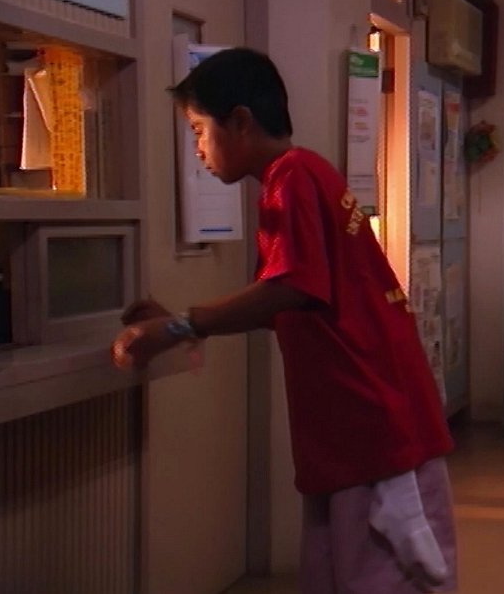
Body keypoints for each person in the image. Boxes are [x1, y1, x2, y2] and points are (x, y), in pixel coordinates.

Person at [110, 48, 457, 593]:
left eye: (199, 130)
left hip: (378, 427)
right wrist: (174, 324)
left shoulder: (291, 176)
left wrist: (183, 326)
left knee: (392, 577)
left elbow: (293, 287)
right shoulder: (298, 177)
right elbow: (288, 304)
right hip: (352, 430)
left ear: (240, 122)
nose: (198, 148)